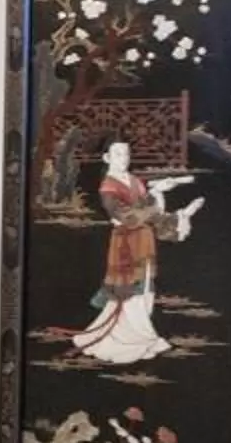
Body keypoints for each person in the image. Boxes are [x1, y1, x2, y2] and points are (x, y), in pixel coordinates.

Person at [73, 141, 200, 364]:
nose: (123, 158)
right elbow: (129, 217)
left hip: (143, 239)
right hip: (126, 243)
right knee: (130, 290)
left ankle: (140, 336)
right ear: (107, 158)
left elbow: (147, 208)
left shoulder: (134, 181)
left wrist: (159, 194)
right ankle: (133, 338)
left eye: (126, 153)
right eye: (118, 154)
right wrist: (155, 198)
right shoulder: (108, 187)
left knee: (146, 286)